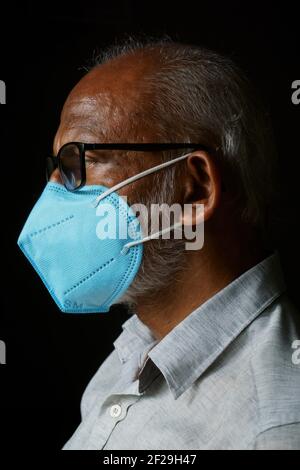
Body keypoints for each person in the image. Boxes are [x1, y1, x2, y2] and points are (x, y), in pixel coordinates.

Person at [18, 39, 300, 450]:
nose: (53, 197)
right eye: (58, 169)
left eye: (81, 163)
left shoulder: (271, 429)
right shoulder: (132, 354)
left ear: (195, 188)